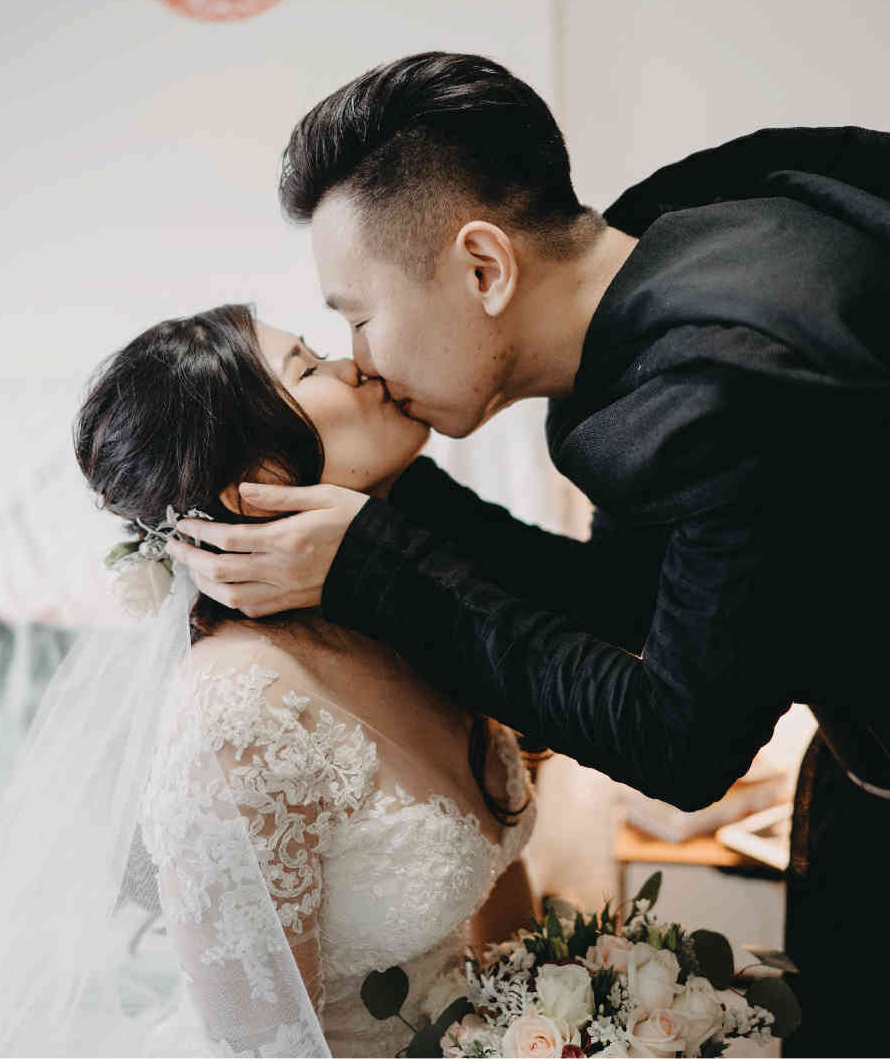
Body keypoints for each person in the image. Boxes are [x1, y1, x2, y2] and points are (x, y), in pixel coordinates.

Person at [165, 54, 888, 1053]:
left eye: (358, 317)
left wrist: (375, 566)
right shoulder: (668, 235)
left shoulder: (725, 383)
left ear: (483, 267)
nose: (359, 361)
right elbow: (623, 601)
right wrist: (385, 507)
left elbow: (683, 745)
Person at [0, 304, 538, 1057]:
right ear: (251, 484)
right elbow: (264, 1047)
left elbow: (503, 900)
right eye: (309, 368)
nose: (356, 364)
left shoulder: (408, 612)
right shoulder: (245, 711)